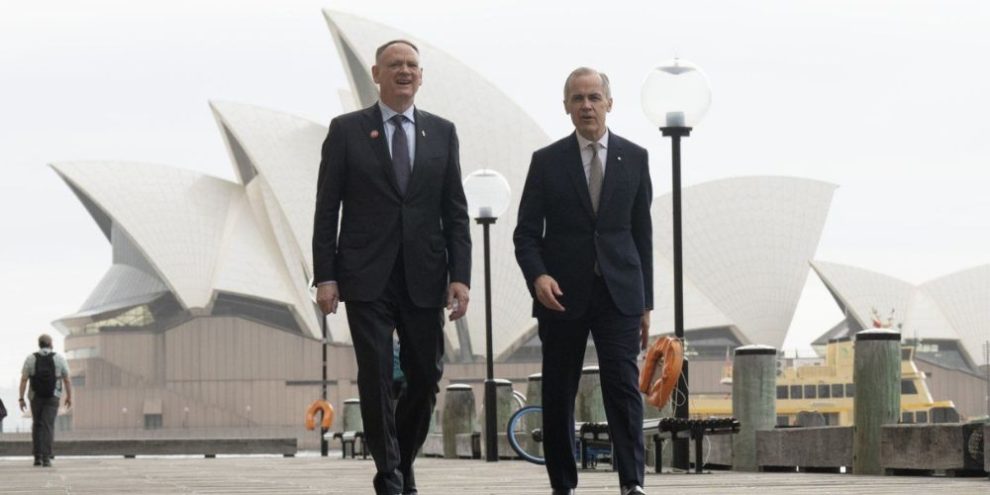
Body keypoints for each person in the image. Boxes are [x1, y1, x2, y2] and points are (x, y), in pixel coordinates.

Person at [312, 39, 471, 495]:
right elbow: (327, 210)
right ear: (376, 74)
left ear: (421, 76)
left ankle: (400, 459)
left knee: (425, 378)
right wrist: (326, 276)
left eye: (412, 66)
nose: (405, 71)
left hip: (424, 275)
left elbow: (455, 211)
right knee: (377, 374)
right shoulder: (346, 130)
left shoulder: (443, 132)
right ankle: (391, 475)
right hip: (365, 275)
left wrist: (460, 276)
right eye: (395, 65)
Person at [514, 67, 652, 495]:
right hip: (562, 296)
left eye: (594, 97)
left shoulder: (636, 157)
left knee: (623, 390)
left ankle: (632, 484)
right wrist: (538, 276)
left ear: (610, 103)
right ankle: (563, 485)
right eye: (578, 98)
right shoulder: (546, 161)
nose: (587, 105)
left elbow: (641, 233)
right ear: (566, 107)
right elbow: (525, 233)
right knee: (559, 391)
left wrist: (646, 302)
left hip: (619, 293)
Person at [19, 334, 72, 467]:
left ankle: (37, 457)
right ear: (50, 344)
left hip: (35, 396)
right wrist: (69, 396)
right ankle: (46, 458)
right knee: (48, 426)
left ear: (39, 344)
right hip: (52, 397)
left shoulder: (31, 358)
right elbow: (67, 379)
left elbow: (24, 379)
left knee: (37, 425)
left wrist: (21, 398)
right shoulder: (59, 358)